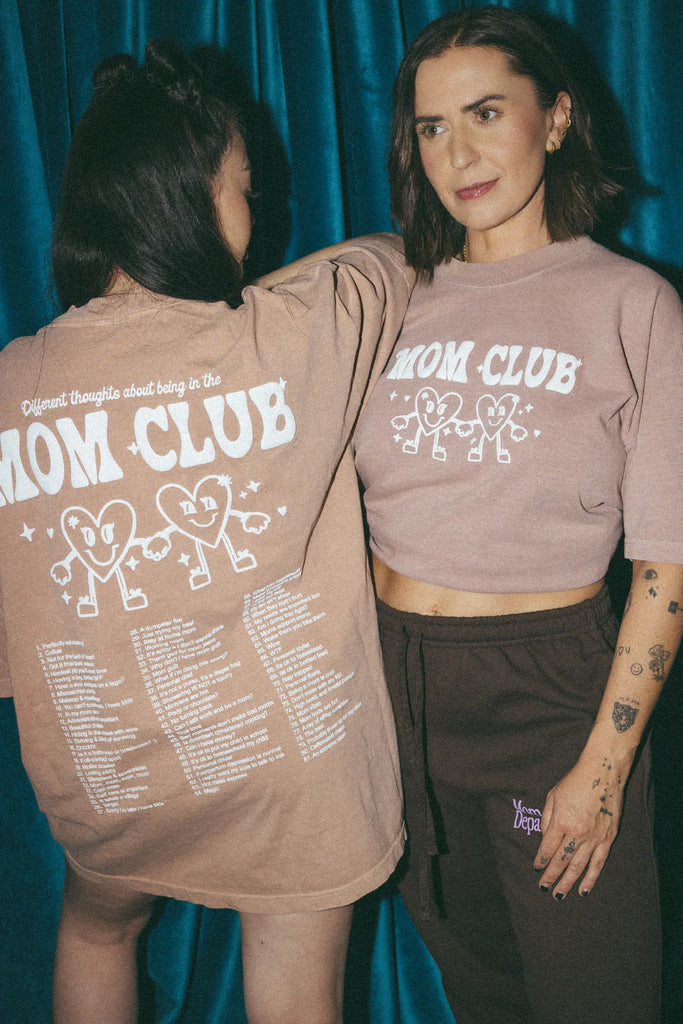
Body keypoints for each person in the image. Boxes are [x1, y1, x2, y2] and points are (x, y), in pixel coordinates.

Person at [0, 40, 413, 1024]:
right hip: (288, 772)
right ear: (188, 197)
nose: (252, 212)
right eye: (240, 188)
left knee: (97, 931)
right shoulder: (289, 333)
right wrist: (256, 293)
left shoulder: (13, 382)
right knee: (295, 987)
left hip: (110, 769)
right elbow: (393, 256)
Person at [353, 7, 683, 1024]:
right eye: (430, 126)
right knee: (479, 989)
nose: (457, 153)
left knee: (596, 996)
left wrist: (602, 768)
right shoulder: (389, 293)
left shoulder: (631, 303)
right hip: (396, 686)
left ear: (557, 118)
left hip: (547, 695)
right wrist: (357, 258)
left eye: (486, 113)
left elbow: (666, 561)